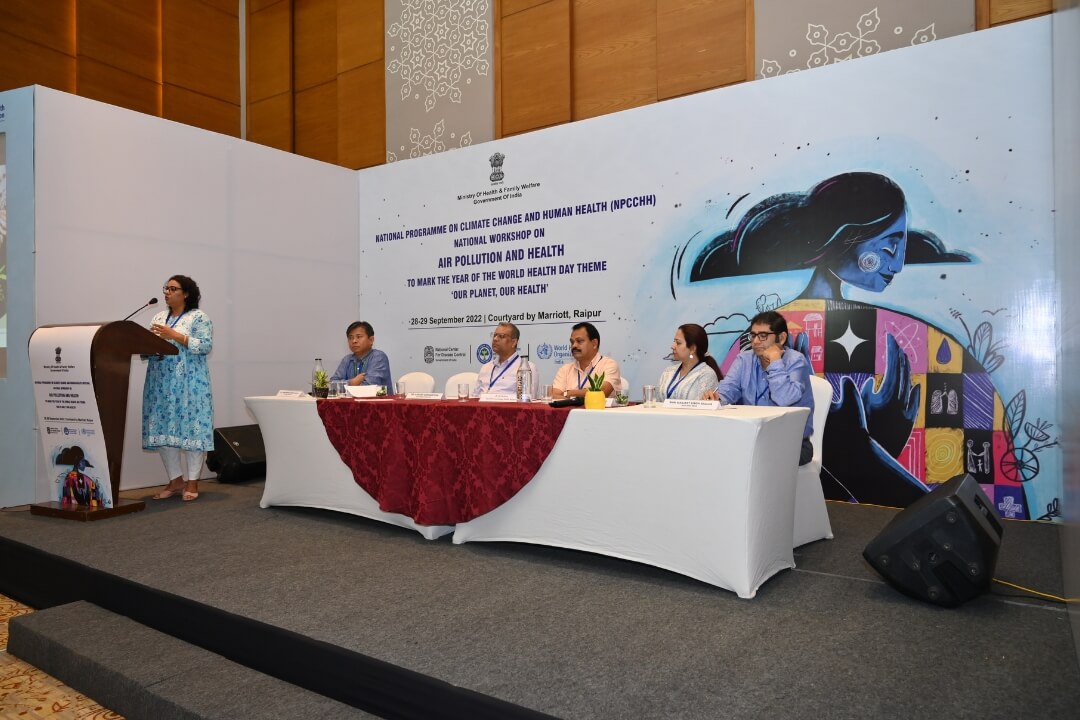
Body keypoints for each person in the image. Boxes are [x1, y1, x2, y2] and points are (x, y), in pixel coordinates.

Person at [705, 311, 815, 465]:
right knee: (717, 452)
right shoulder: (744, 359)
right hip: (752, 437)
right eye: (753, 335)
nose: (755, 341)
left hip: (792, 443)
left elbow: (784, 399)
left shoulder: (796, 361)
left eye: (763, 336)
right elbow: (728, 389)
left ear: (781, 338)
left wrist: (775, 361)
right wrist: (716, 398)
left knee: (754, 459)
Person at [144, 275, 213, 501]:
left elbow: (205, 346)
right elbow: (149, 346)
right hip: (161, 383)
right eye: (166, 288)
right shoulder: (158, 318)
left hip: (190, 384)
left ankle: (192, 482)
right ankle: (175, 479)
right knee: (165, 430)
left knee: (192, 429)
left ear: (186, 294)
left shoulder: (198, 317)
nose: (167, 292)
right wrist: (146, 348)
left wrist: (175, 335)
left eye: (173, 289)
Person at [552, 322, 621, 398]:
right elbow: (554, 395)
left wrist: (568, 393)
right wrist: (574, 398)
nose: (574, 345)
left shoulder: (609, 365)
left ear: (594, 344)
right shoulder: (565, 369)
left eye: (579, 341)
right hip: (570, 406)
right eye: (572, 342)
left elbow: (601, 392)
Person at [656, 323, 722, 401]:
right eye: (674, 341)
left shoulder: (706, 375)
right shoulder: (668, 371)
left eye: (678, 343)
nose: (673, 346)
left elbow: (701, 405)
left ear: (692, 349)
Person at [473, 322, 539, 397]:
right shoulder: (485, 367)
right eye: (494, 335)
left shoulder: (526, 369)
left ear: (514, 342)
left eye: (501, 336)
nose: (495, 339)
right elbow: (474, 397)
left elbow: (527, 400)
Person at [330, 321, 392, 388]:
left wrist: (345, 385)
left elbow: (369, 386)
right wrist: (351, 382)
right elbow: (332, 384)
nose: (354, 341)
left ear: (371, 340)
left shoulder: (378, 357)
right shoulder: (347, 359)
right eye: (350, 338)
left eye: (359, 337)